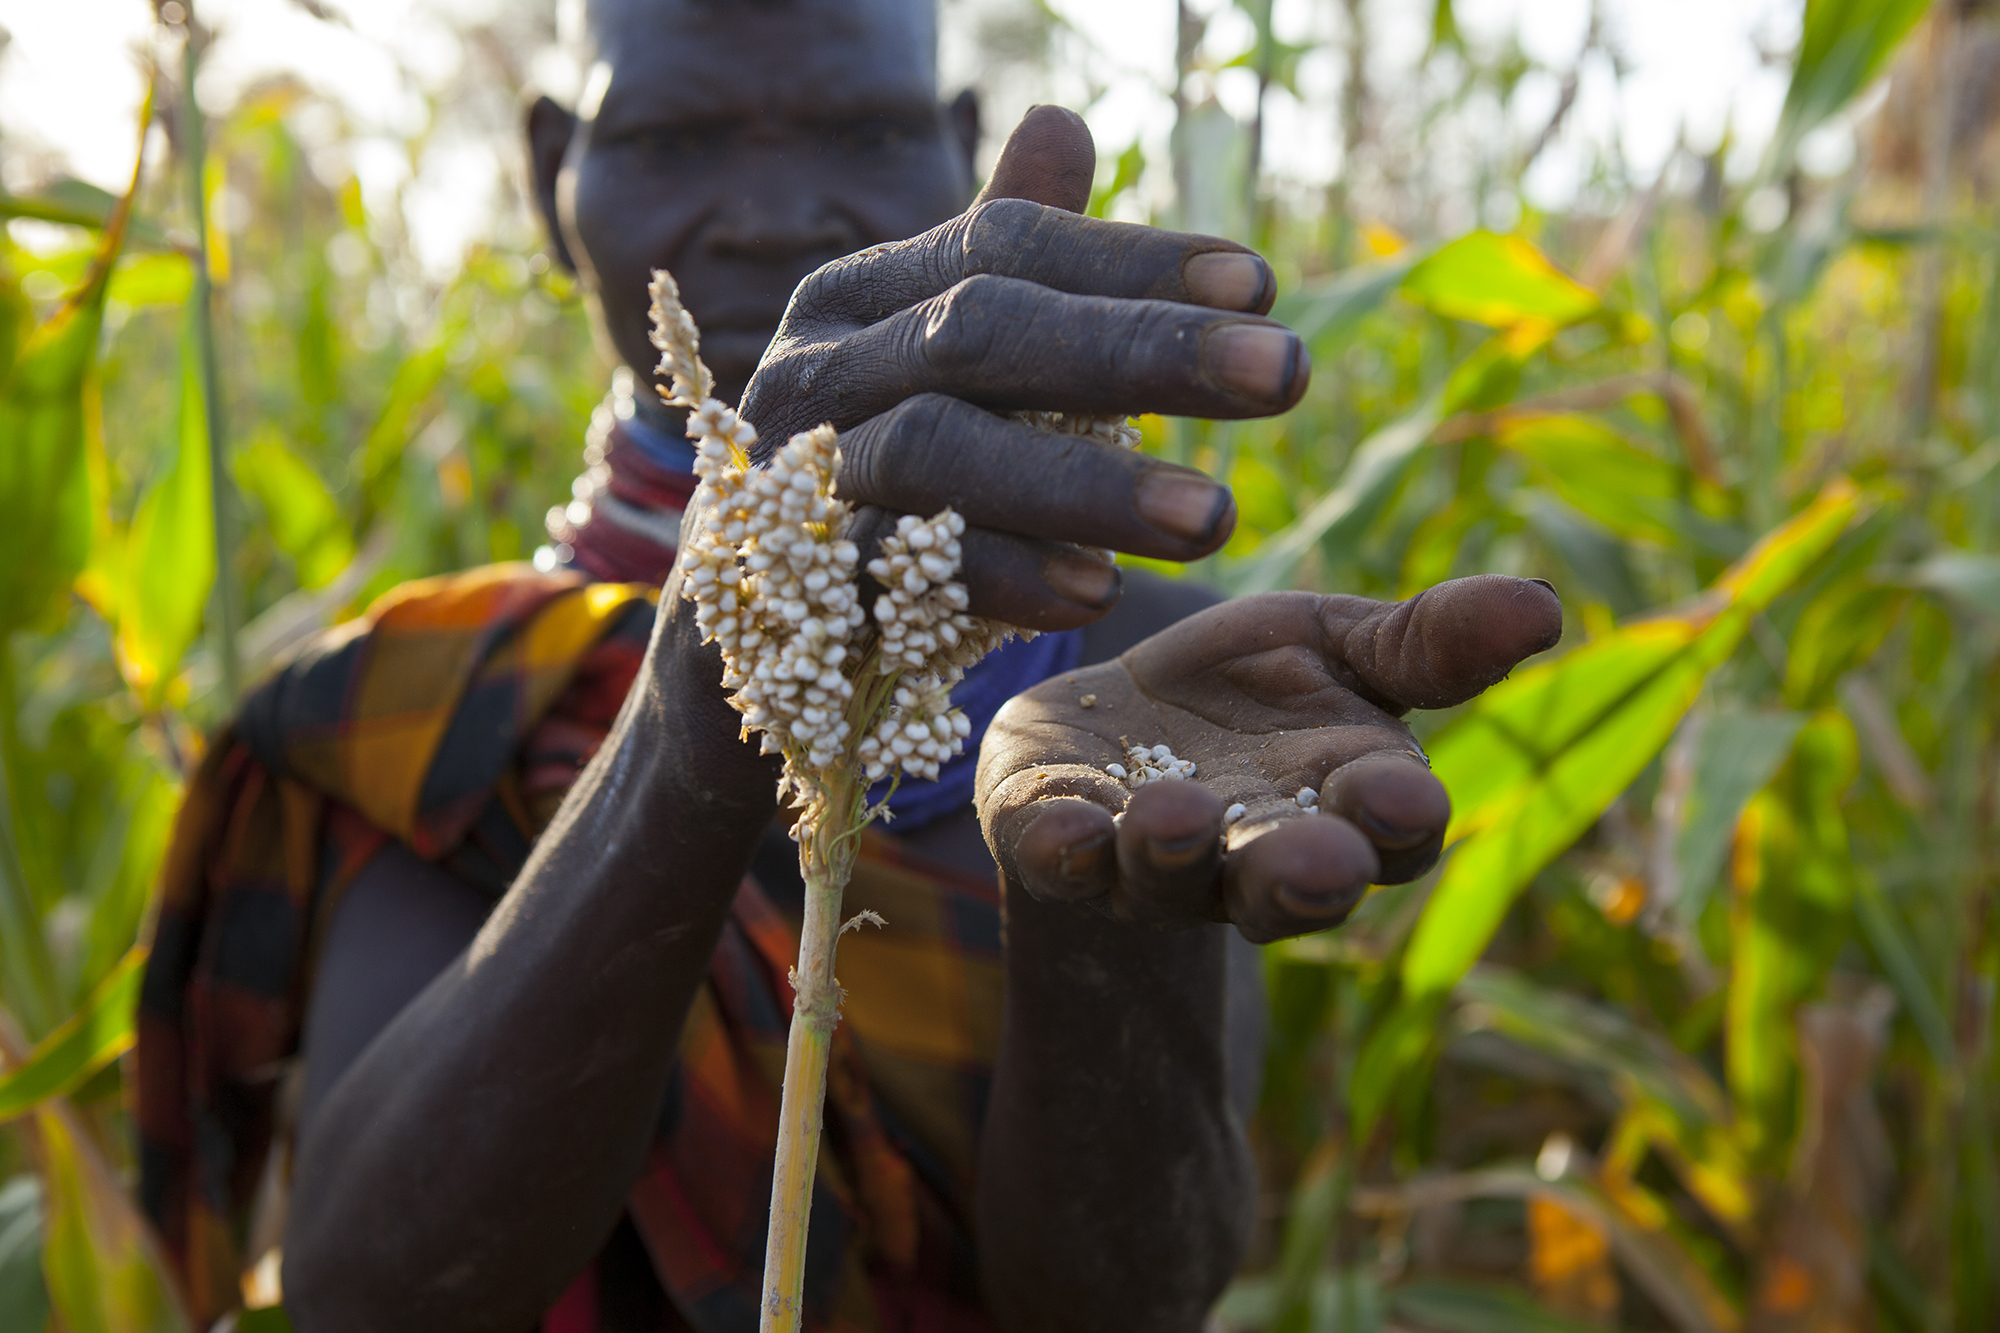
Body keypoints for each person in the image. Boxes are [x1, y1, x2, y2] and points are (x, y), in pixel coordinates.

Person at [132, 1, 1562, 1330]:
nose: (773, 220)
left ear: (958, 151)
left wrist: (1102, 914)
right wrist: (704, 708)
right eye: (678, 139)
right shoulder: (451, 698)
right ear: (552, 174)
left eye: (866, 135)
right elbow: (369, 1292)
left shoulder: (1140, 675)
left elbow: (1125, 1298)